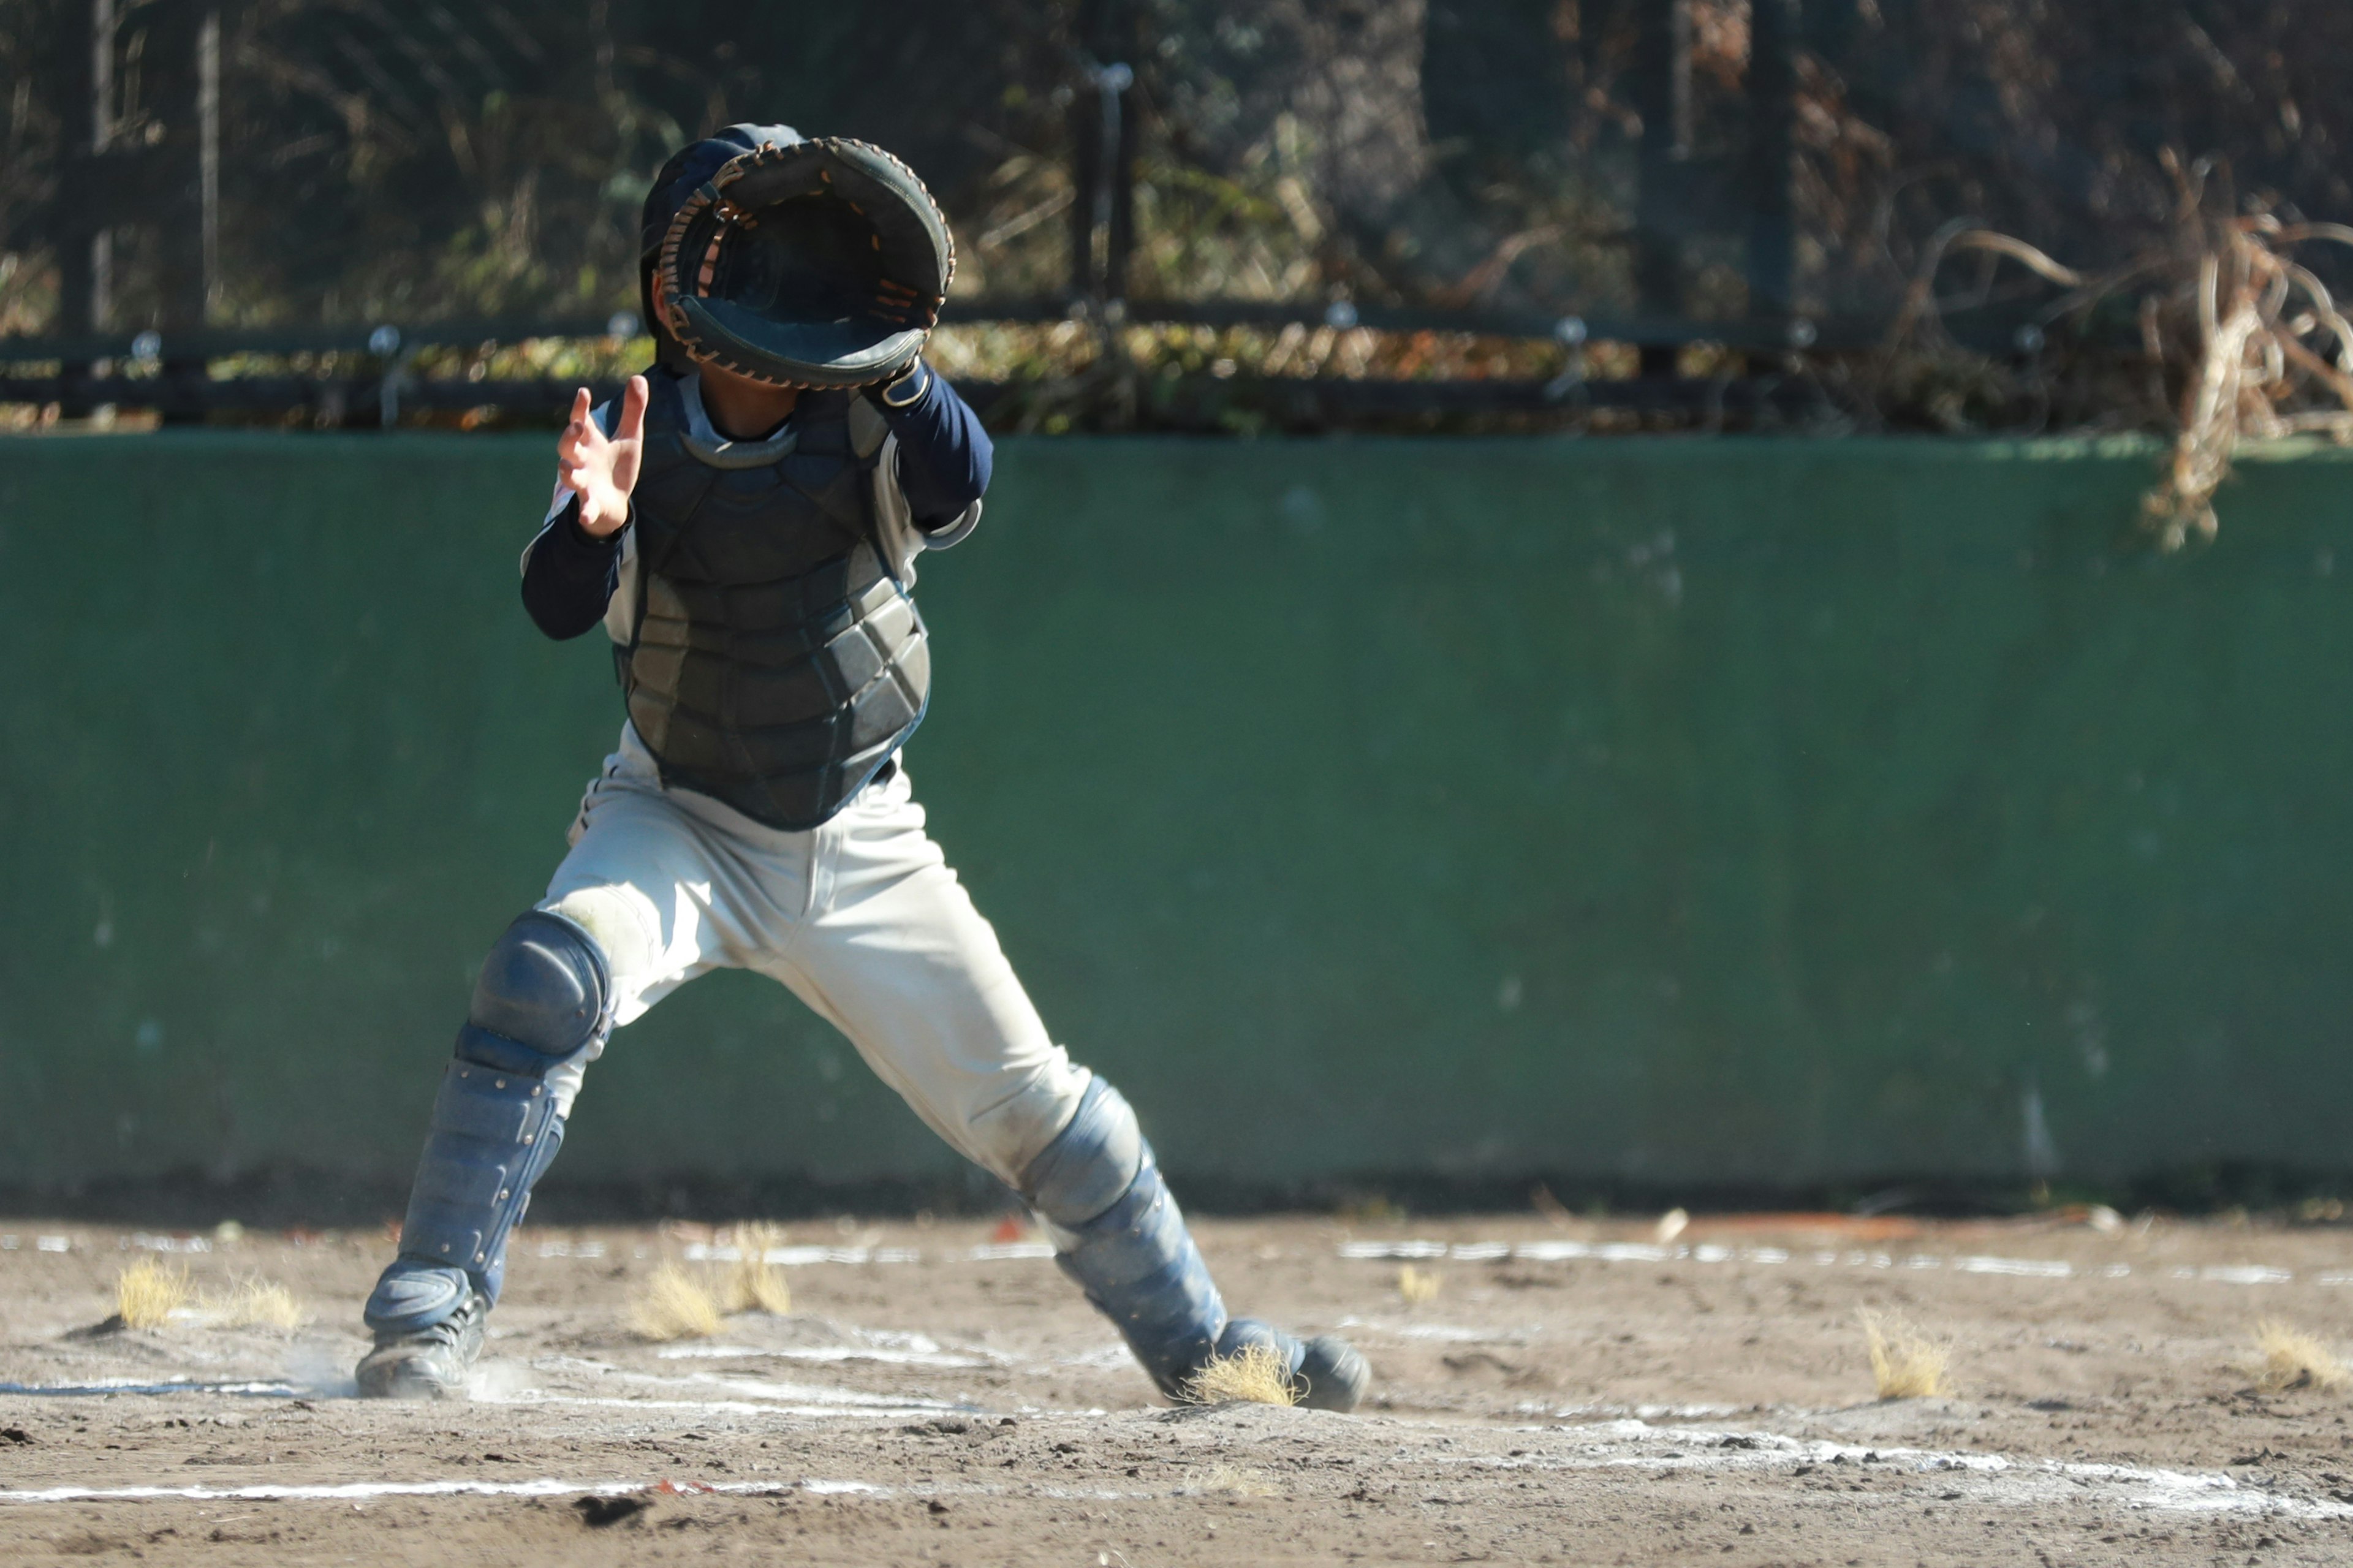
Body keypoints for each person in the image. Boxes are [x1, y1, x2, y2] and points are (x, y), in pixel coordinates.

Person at [354, 124, 1368, 1413]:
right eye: (743, 258)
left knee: (1042, 1112)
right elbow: (560, 606)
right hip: (675, 813)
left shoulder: (878, 417)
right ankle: (427, 1313)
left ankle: (1207, 1346)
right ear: (675, 291)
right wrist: (596, 522)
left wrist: (891, 367)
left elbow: (962, 483)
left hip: (858, 832)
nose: (779, 280)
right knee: (543, 976)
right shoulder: (628, 421)